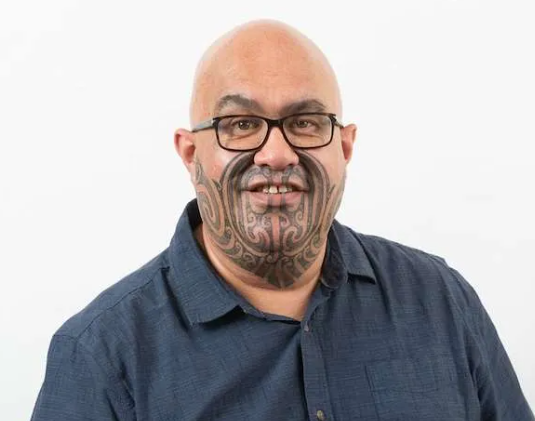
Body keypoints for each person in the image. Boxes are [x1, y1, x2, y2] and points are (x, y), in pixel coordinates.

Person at [31, 20, 533, 421]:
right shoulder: (100, 354)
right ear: (190, 153)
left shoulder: (441, 301)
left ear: (345, 147)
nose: (276, 153)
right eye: (240, 124)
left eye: (306, 123)